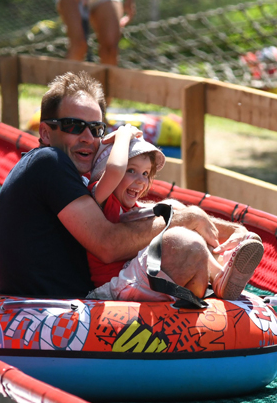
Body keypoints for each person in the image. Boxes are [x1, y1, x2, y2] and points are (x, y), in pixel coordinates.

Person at [0, 72, 223, 300]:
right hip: (52, 312)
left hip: (70, 305)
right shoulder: (49, 161)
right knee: (184, 245)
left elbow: (131, 217)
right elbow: (108, 244)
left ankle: (226, 261)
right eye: (73, 125)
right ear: (46, 133)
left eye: (96, 129)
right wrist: (187, 218)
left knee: (172, 210)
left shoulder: (70, 173)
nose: (87, 137)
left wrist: (219, 227)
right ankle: (214, 295)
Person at [83, 128, 264, 302]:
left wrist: (232, 230)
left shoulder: (131, 207)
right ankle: (219, 276)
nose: (140, 180)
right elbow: (115, 170)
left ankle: (220, 265)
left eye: (146, 173)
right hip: (117, 285)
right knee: (179, 238)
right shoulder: (102, 198)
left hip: (139, 277)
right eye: (131, 170)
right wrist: (123, 134)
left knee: (172, 208)